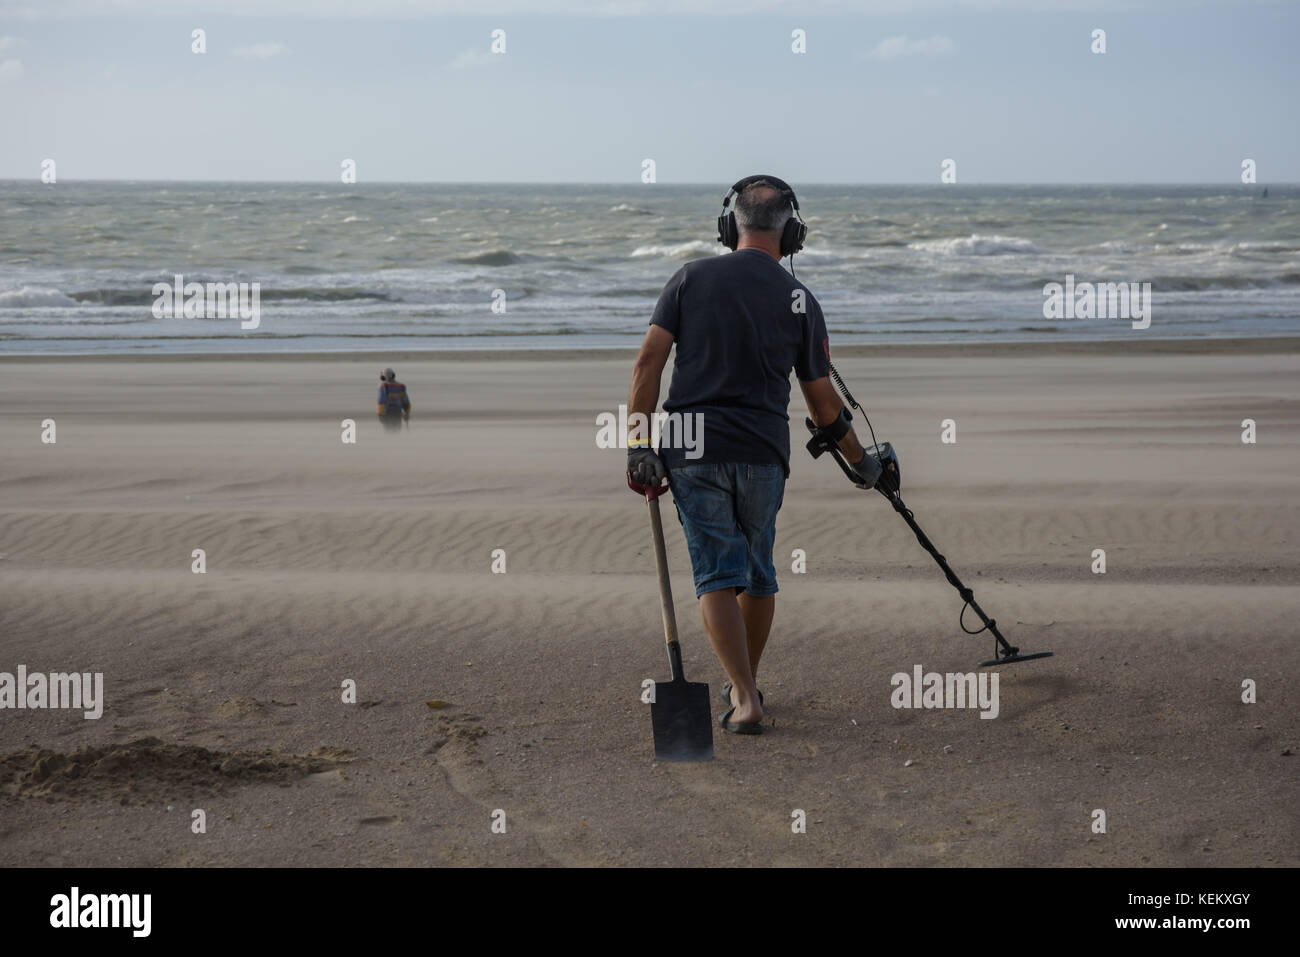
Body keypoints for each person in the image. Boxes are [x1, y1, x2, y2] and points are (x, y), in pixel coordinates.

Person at [626, 176, 884, 735]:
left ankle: (744, 695)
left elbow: (649, 363)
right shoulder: (799, 300)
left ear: (729, 226)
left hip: (692, 446)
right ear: (792, 234)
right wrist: (862, 461)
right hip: (764, 451)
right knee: (759, 572)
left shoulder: (690, 278)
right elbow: (821, 403)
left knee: (716, 575)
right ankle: (746, 681)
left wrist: (638, 445)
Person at [377, 368, 410, 432]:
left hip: (387, 412)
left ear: (383, 377)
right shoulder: (401, 386)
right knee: (397, 430)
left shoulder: (383, 386)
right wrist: (407, 412)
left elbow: (381, 401)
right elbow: (406, 401)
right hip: (398, 411)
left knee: (388, 431)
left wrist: (380, 413)